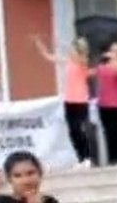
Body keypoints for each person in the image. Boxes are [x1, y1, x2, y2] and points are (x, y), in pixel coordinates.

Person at [34, 36, 94, 168]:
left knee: (79, 130)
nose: (70, 51)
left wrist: (66, 44)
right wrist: (41, 46)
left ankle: (87, 157)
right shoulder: (69, 61)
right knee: (72, 131)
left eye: (72, 49)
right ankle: (81, 158)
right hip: (69, 100)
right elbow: (49, 57)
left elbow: (80, 57)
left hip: (81, 100)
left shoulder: (82, 61)